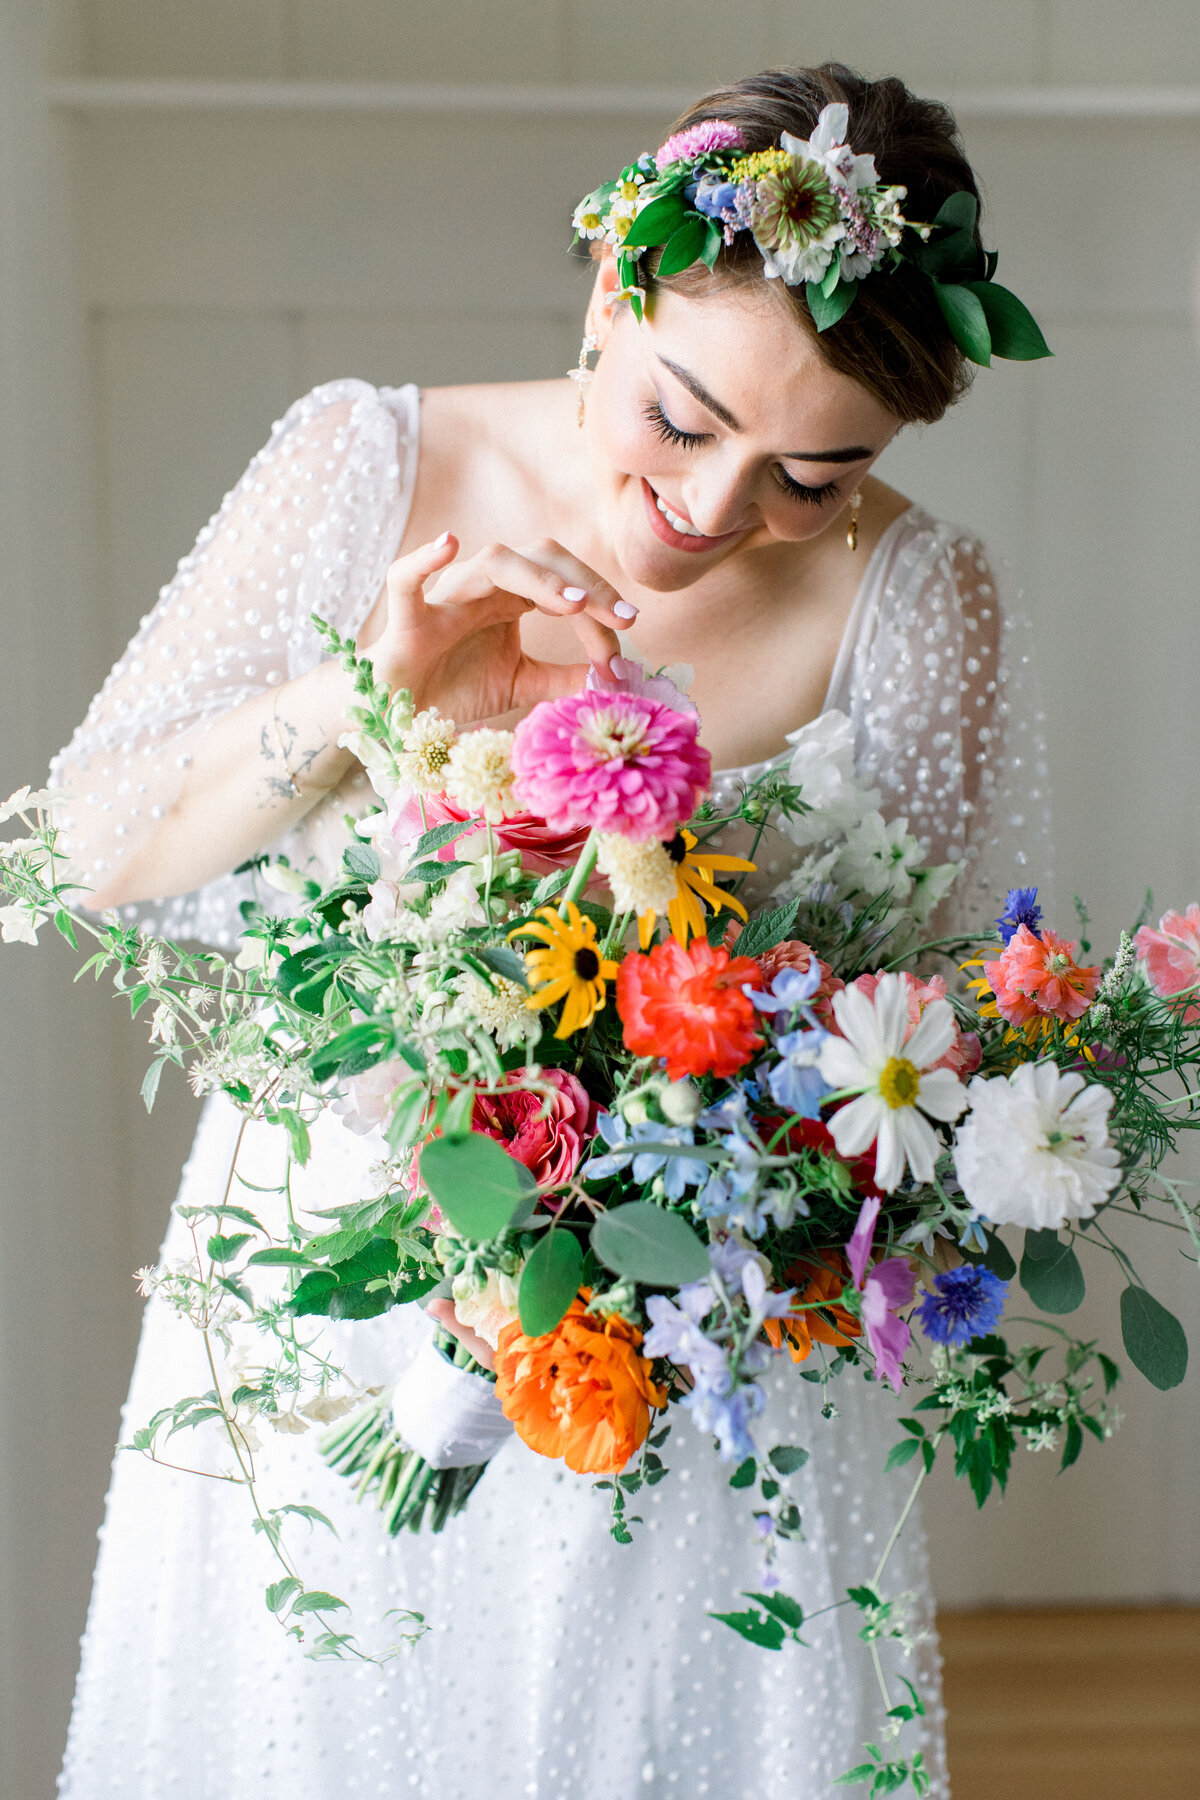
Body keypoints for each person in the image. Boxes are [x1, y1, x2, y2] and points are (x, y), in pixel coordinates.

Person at [52, 63, 1047, 1799]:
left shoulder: (920, 600)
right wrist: (368, 697)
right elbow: (88, 848)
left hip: (692, 1365)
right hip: (328, 1311)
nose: (717, 511)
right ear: (613, 291)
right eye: (682, 418)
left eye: (812, 477)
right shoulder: (366, 456)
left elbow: (930, 1059)